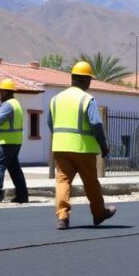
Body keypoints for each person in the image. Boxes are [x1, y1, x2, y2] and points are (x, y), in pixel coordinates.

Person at [47, 61, 116, 230]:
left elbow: (50, 123)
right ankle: (99, 214)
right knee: (91, 182)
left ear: (72, 79)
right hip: (83, 149)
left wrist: (60, 139)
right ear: (86, 80)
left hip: (61, 148)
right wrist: (104, 146)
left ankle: (62, 218)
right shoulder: (87, 99)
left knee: (63, 182)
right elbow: (96, 124)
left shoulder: (55, 99)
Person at [0, 78, 29, 204]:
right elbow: (4, 119)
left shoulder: (8, 105)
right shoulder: (15, 104)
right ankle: (22, 196)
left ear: (5, 92)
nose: (0, 94)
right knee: (15, 169)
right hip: (15, 141)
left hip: (6, 142)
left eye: (1, 91)